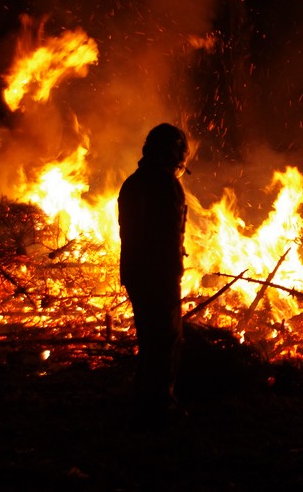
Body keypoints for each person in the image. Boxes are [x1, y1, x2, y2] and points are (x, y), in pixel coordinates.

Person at [118, 123, 190, 423]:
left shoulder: (132, 183)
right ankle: (160, 407)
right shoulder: (165, 185)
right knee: (166, 341)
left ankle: (143, 402)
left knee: (149, 341)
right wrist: (174, 273)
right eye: (179, 155)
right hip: (159, 275)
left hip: (135, 272)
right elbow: (169, 236)